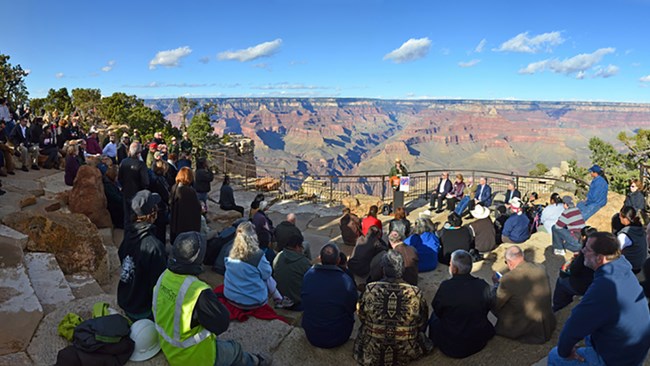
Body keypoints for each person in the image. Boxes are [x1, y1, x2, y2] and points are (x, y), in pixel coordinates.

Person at [153, 231, 272, 366]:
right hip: (193, 357)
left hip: (168, 348)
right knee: (235, 349)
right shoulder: (197, 291)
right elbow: (221, 324)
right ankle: (257, 362)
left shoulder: (163, 276)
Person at [548, 232, 650, 366]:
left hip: (618, 359)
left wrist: (564, 352)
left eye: (588, 249)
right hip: (634, 350)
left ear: (599, 258)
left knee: (555, 356)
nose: (583, 250)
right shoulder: (622, 270)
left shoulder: (604, 288)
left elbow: (573, 327)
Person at [354, 250, 433, 365]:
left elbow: (361, 316)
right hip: (406, 351)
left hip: (372, 351)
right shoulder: (415, 293)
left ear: (383, 269)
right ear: (402, 269)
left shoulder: (370, 289)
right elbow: (422, 322)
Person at [428, 250, 495, 359]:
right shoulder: (483, 285)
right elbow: (490, 305)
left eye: (450, 264)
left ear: (454, 269)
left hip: (452, 347)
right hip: (478, 341)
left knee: (433, 317)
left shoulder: (446, 287)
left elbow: (438, 310)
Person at [117, 190, 167, 321]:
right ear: (152, 213)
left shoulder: (129, 235)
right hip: (141, 309)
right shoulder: (154, 247)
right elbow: (160, 284)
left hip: (125, 298)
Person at [492, 246, 556, 344]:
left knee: (494, 299)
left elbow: (497, 303)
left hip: (528, 326)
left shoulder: (508, 278)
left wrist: (497, 285)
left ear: (509, 262)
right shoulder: (540, 267)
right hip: (547, 322)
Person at [224, 222, 292, 310]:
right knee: (266, 276)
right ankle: (278, 298)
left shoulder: (229, 249)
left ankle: (278, 298)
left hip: (230, 296)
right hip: (253, 301)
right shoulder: (257, 255)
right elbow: (267, 274)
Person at [301, 243, 358, 349]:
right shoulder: (346, 281)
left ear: (320, 259)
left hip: (311, 333)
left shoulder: (308, 276)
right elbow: (352, 307)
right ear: (338, 261)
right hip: (338, 336)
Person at [552, 226, 597, 312]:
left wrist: (567, 266)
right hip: (595, 282)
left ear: (584, 237)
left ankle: (558, 307)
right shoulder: (602, 250)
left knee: (561, 281)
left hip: (584, 285)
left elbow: (573, 271)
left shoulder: (586, 253)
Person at [272, 233, 311, 310]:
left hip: (280, 298)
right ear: (297, 247)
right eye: (301, 247)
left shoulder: (279, 256)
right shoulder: (303, 262)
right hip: (298, 303)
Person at [118, 142, 150, 226]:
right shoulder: (141, 164)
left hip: (126, 192)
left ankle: (127, 237)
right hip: (138, 194)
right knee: (137, 219)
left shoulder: (123, 162)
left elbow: (119, 178)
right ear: (139, 153)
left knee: (127, 218)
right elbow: (145, 181)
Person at [169, 167, 202, 245]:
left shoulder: (174, 187)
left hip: (175, 223)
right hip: (186, 225)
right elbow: (196, 208)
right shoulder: (189, 191)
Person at [614, 206, 647, 273]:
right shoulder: (640, 229)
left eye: (620, 216)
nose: (619, 217)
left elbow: (614, 252)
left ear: (625, 218)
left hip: (631, 267)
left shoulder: (624, 235)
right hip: (641, 264)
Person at [149, 160, 171, 244]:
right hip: (161, 207)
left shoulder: (152, 176)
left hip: (156, 205)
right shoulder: (159, 180)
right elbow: (165, 194)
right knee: (161, 231)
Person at [103, 164, 124, 229]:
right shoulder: (108, 185)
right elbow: (115, 198)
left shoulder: (111, 182)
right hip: (114, 208)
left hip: (117, 202)